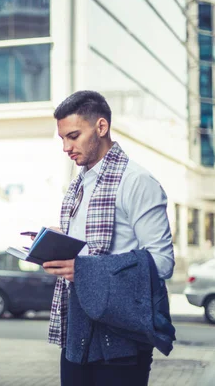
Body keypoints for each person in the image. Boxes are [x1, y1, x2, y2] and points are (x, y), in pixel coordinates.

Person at [39, 90, 175, 386]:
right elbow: (90, 248)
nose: (66, 147)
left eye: (73, 136)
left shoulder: (137, 181)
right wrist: (56, 241)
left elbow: (162, 263)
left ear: (101, 127)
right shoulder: (79, 184)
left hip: (121, 338)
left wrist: (85, 270)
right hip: (77, 330)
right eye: (62, 138)